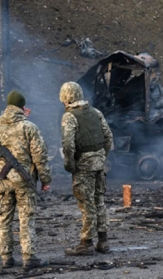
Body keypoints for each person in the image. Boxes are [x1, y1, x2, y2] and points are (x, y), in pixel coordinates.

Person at [0, 90, 51, 270]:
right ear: (22, 107)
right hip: (24, 181)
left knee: (4, 218)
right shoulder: (29, 127)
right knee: (26, 217)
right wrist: (45, 179)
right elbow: (40, 157)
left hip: (1, 181)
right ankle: (28, 257)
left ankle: (6, 257)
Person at [59, 81, 113, 256]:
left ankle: (86, 243)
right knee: (100, 201)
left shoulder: (70, 117)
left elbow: (68, 145)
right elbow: (108, 137)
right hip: (99, 164)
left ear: (65, 98)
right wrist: (101, 157)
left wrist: (70, 165)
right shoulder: (96, 113)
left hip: (83, 166)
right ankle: (103, 241)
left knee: (86, 203)